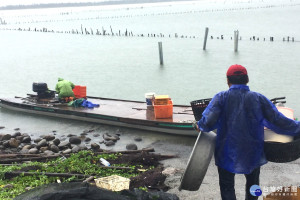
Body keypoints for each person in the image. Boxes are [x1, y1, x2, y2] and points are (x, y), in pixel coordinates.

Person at [196, 64, 300, 200]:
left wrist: (199, 125)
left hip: (226, 151)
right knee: (253, 185)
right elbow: (279, 120)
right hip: (253, 151)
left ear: (228, 80)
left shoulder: (220, 98)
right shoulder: (259, 98)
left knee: (227, 185)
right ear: (247, 79)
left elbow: (207, 122)